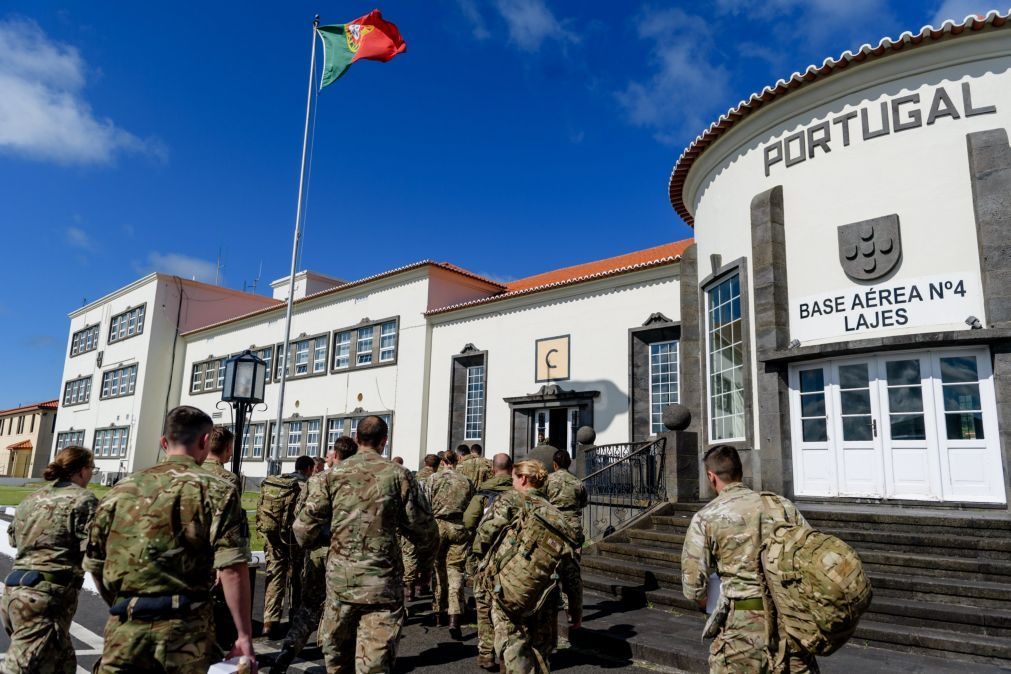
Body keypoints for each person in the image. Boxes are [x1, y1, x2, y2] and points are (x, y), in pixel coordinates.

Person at [84, 406, 254, 672]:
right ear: (205, 441)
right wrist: (244, 636)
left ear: (164, 442)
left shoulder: (120, 490)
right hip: (184, 631)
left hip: (125, 628)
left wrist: (125, 604)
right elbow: (232, 568)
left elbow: (95, 563)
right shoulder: (218, 489)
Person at [293, 415, 437, 673]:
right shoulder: (399, 475)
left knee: (337, 661)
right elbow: (424, 531)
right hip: (382, 584)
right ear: (384, 441)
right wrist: (425, 568)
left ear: (357, 439)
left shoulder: (331, 475)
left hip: (341, 582)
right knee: (374, 664)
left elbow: (303, 530)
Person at [681, 445, 818, 674]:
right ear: (740, 472)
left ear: (711, 476)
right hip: (792, 623)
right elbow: (813, 556)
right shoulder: (782, 506)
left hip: (741, 628)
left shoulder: (706, 517)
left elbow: (694, 586)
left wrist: (712, 604)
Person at [1, 446, 97, 674]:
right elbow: (96, 549)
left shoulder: (32, 499)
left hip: (15, 593)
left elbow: (14, 540)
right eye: (91, 468)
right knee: (23, 668)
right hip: (47, 600)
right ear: (83, 470)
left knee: (62, 664)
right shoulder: (83, 500)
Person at [474, 460, 576, 674]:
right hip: (544, 594)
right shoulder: (557, 515)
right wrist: (575, 609)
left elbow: (484, 535)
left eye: (513, 478)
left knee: (513, 649)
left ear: (522, 478)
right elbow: (571, 567)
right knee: (540, 654)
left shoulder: (508, 500)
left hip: (508, 589)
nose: (512, 483)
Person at [272, 437, 358, 673]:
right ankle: (333, 655)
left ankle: (289, 649)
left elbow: (302, 516)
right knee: (341, 606)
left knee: (309, 605)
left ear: (336, 456)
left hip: (319, 549)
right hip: (346, 552)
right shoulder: (360, 480)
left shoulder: (318, 480)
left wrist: (308, 544)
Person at [463, 453, 514, 671]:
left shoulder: (483, 491)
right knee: (507, 606)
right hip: (512, 556)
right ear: (511, 469)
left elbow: (468, 521)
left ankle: (486, 654)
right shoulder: (518, 492)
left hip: (486, 555)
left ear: (493, 469)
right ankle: (506, 654)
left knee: (484, 604)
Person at [257, 454, 314, 638]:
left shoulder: (277, 482)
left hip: (272, 538)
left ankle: (269, 621)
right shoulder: (303, 486)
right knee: (297, 577)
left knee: (274, 575)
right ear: (308, 469)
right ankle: (294, 618)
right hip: (293, 539)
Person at [428, 448, 475, 638]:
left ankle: (439, 611)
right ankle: (454, 615)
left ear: (442, 462)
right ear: (456, 461)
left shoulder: (433, 479)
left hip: (438, 524)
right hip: (458, 525)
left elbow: (425, 502)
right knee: (455, 570)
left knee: (438, 569)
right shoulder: (466, 481)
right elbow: (472, 505)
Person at [546, 449, 586, 629]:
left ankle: (551, 608)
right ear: (569, 464)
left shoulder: (548, 480)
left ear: (554, 464)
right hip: (573, 527)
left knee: (551, 567)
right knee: (573, 570)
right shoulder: (577, 482)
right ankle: (574, 614)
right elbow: (583, 502)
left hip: (553, 524)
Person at [203, 426, 243, 494]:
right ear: (228, 447)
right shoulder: (230, 479)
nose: (232, 454)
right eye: (231, 447)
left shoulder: (188, 471)